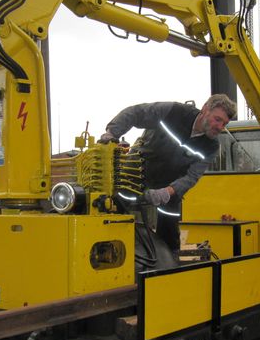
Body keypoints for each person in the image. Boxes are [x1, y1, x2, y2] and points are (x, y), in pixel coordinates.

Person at [99, 94, 237, 251]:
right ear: (205, 109)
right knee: (114, 215)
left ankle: (167, 267)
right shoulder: (173, 112)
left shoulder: (211, 147)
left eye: (224, 123)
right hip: (137, 173)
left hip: (168, 188)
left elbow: (192, 177)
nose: (220, 127)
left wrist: (167, 192)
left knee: (170, 238)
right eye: (217, 119)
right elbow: (135, 112)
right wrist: (112, 133)